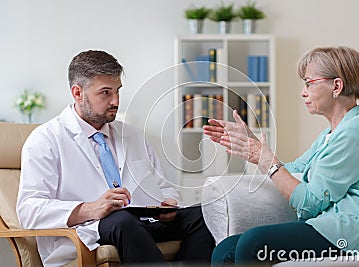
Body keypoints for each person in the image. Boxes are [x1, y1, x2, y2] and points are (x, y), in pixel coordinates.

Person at [203, 46, 359, 265]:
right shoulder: (332, 133)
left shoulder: (357, 132)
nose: (303, 92)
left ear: (336, 86)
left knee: (254, 242)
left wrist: (265, 159)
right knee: (225, 248)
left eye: (309, 83)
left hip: (357, 230)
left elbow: (309, 202)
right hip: (333, 224)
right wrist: (255, 147)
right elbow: (293, 171)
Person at [16, 50, 215, 267]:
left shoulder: (132, 135)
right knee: (121, 220)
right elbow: (29, 210)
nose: (116, 101)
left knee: (204, 214)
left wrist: (168, 204)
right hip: (88, 230)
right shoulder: (46, 140)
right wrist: (91, 208)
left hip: (142, 222)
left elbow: (164, 188)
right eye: (105, 93)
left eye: (118, 91)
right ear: (77, 93)